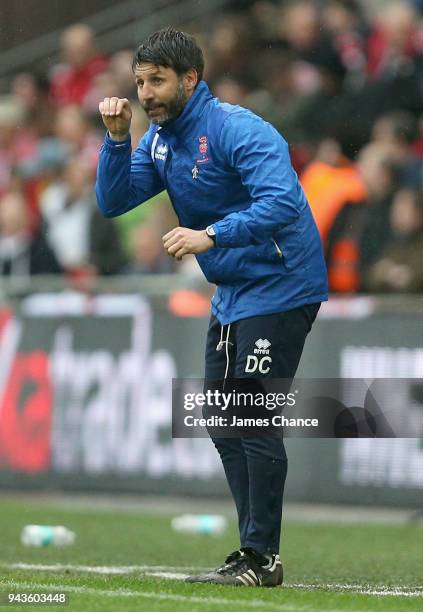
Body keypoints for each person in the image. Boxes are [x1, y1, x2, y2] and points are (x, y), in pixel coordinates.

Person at [95, 27, 327, 587]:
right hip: (233, 294)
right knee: (224, 424)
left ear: (190, 79)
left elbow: (282, 203)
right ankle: (250, 551)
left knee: (252, 419)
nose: (145, 94)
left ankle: (261, 556)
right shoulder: (158, 140)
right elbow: (113, 201)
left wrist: (210, 235)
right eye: (140, 82)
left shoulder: (238, 129)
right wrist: (118, 140)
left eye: (157, 81)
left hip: (281, 281)